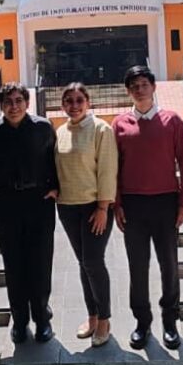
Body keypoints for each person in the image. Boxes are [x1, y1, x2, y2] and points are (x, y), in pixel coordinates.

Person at [0, 83, 59, 345]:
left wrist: (55, 187)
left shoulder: (43, 128)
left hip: (39, 202)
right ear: (1, 105)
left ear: (27, 102)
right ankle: (20, 321)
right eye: (8, 102)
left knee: (41, 262)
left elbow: (55, 162)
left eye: (18, 100)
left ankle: (42, 319)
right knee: (15, 264)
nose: (14, 106)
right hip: (6, 204)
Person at [112, 65, 183, 350]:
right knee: (137, 267)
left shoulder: (172, 121)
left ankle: (170, 321)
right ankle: (142, 322)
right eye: (134, 85)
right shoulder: (120, 124)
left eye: (144, 84)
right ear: (128, 91)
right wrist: (117, 204)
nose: (140, 89)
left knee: (169, 265)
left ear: (153, 87)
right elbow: (115, 168)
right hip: (133, 205)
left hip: (165, 202)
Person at [55, 82, 119, 347]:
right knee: (83, 262)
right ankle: (91, 317)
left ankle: (104, 319)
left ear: (88, 102)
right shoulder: (60, 131)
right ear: (63, 105)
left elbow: (107, 170)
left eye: (79, 100)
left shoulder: (101, 130)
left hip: (95, 207)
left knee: (93, 261)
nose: (74, 105)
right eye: (69, 101)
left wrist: (104, 207)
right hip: (68, 206)